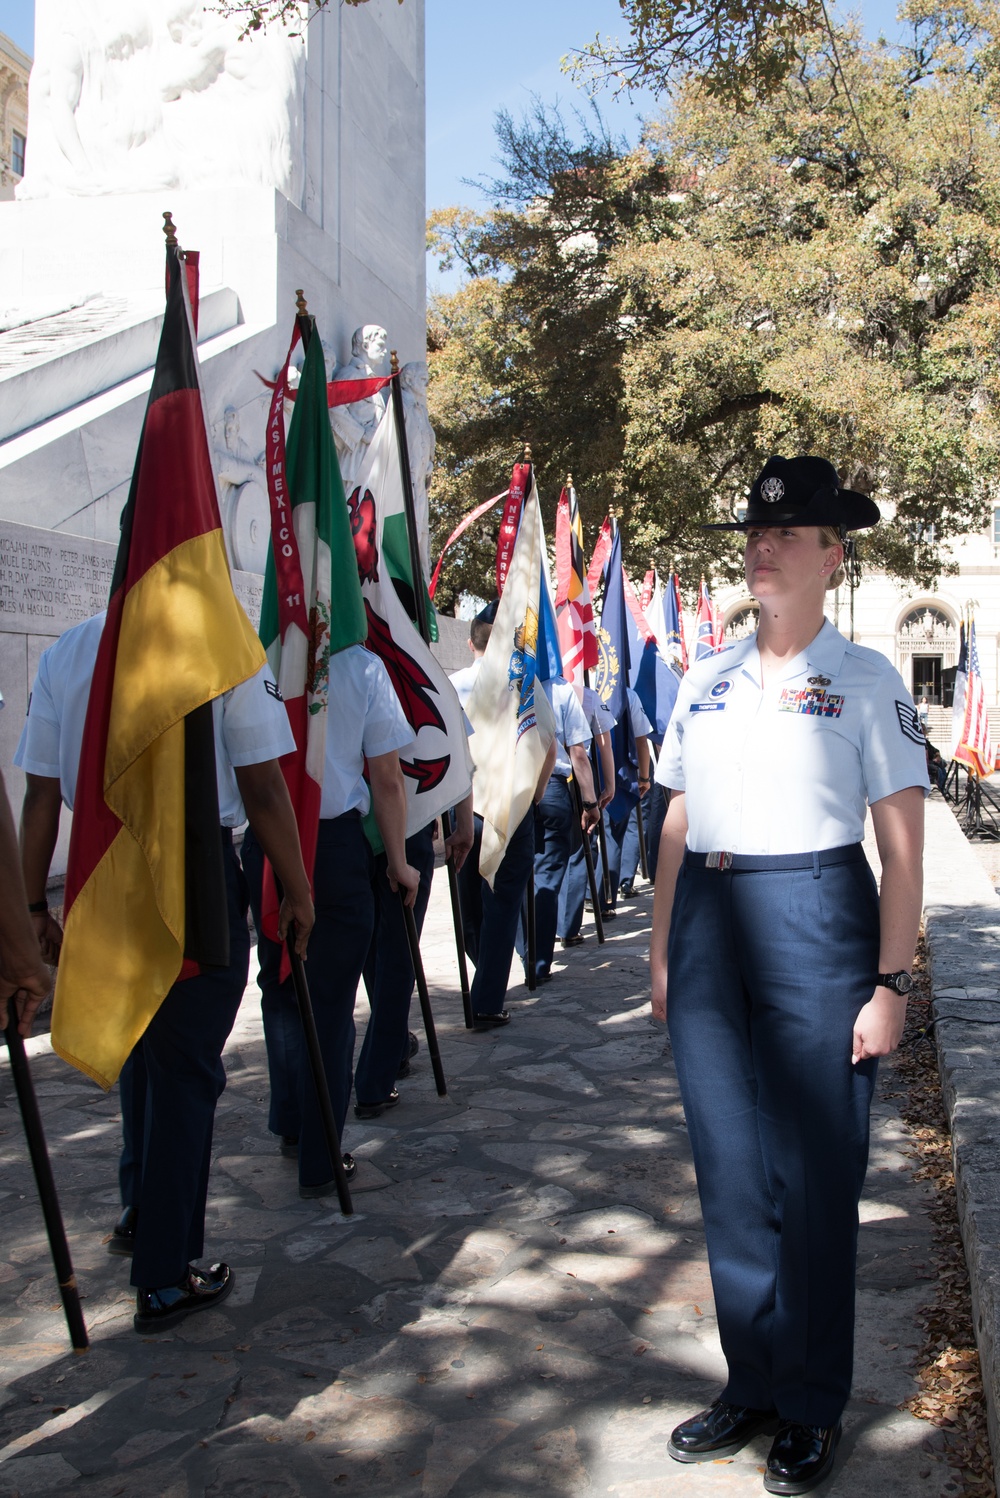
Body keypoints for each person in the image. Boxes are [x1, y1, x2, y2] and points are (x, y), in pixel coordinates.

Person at [649, 455, 927, 1495]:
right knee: (728, 1173)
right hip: (712, 921)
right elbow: (676, 811)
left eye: (785, 534)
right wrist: (664, 944)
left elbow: (900, 850)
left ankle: (811, 1402)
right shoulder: (705, 677)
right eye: (755, 534)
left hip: (817, 916)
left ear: (830, 556)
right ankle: (753, 1379)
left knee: (809, 1176)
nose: (761, 547)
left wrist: (888, 982)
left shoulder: (867, 682)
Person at [15, 610, 314, 1334]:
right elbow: (265, 786)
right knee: (184, 1073)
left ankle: (140, 1209)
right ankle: (164, 1273)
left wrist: (32, 905)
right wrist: (298, 890)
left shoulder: (70, 652)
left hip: (102, 880)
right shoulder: (220, 641)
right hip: (192, 876)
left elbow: (41, 795)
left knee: (147, 1058)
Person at [243, 643, 421, 1196]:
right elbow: (386, 776)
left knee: (282, 989)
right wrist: (398, 861)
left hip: (267, 841)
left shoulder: (256, 650)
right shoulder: (363, 666)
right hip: (333, 844)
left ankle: (294, 1125)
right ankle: (318, 1157)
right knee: (331, 1003)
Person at [452, 604, 556, 1027]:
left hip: (465, 807)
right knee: (502, 904)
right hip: (511, 807)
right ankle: (487, 997)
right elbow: (547, 743)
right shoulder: (523, 683)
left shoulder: (450, 685)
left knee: (469, 906)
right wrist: (535, 796)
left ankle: (484, 978)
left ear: (469, 640)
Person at [522, 675, 600, 984]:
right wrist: (590, 801)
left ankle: (522, 949)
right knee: (547, 877)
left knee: (512, 875)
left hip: (507, 784)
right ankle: (538, 961)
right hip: (552, 785)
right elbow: (577, 752)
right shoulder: (561, 689)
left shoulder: (501, 675)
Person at [557, 686, 615, 946]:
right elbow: (604, 744)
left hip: (543, 775)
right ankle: (567, 926)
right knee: (579, 851)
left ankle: (546, 930)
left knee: (547, 857)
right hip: (576, 774)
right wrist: (608, 786)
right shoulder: (586, 696)